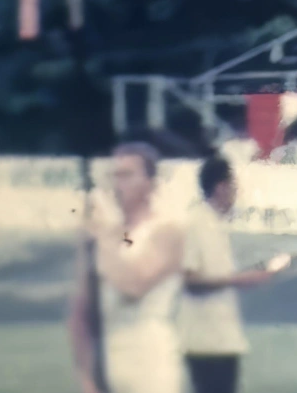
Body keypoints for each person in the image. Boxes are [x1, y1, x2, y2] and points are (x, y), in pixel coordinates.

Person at [70, 142, 188, 393]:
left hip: (151, 360)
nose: (117, 184)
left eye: (126, 175)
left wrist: (106, 237)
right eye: (114, 175)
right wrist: (85, 377)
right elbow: (81, 310)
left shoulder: (167, 230)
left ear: (150, 183)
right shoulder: (100, 235)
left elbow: (134, 286)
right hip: (108, 358)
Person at [181, 158, 278, 393]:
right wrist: (240, 280)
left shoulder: (214, 225)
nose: (235, 194)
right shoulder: (195, 223)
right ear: (221, 186)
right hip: (204, 342)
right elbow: (189, 280)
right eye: (233, 186)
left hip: (221, 339)